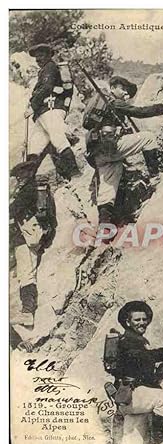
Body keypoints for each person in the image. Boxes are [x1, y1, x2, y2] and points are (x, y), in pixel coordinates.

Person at [85, 76, 163, 225]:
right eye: (122, 88)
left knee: (107, 192)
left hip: (97, 154)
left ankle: (104, 229)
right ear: (112, 88)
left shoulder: (98, 104)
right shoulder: (114, 102)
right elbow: (139, 112)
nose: (125, 92)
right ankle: (154, 177)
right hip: (110, 148)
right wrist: (161, 106)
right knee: (148, 138)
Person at [113, 301, 163, 444]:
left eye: (144, 319)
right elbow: (146, 357)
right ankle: (158, 442)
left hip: (137, 398)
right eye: (137, 320)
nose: (142, 323)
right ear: (128, 322)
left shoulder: (138, 341)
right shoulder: (127, 342)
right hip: (131, 395)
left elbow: (151, 374)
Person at [9, 157, 57, 327]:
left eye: (20, 173)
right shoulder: (35, 189)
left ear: (27, 173)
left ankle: (28, 312)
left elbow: (11, 211)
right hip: (28, 235)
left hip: (27, 237)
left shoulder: (28, 190)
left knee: (26, 274)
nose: (18, 177)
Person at [25, 43, 80, 181]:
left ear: (49, 55)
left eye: (42, 55)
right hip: (44, 112)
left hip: (50, 109)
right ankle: (26, 179)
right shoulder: (46, 69)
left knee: (58, 139)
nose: (39, 59)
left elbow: (47, 88)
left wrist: (32, 106)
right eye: (37, 57)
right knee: (35, 145)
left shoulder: (49, 67)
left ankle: (75, 173)